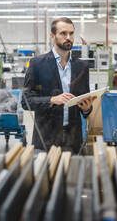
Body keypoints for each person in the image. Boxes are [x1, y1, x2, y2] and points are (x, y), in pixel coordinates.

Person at [22, 17, 95, 153]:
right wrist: (52, 100)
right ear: (52, 36)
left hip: (73, 141)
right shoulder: (37, 64)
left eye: (71, 33)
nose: (68, 37)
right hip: (45, 139)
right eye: (63, 33)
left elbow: (85, 107)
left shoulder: (82, 67)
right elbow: (26, 101)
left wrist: (86, 109)